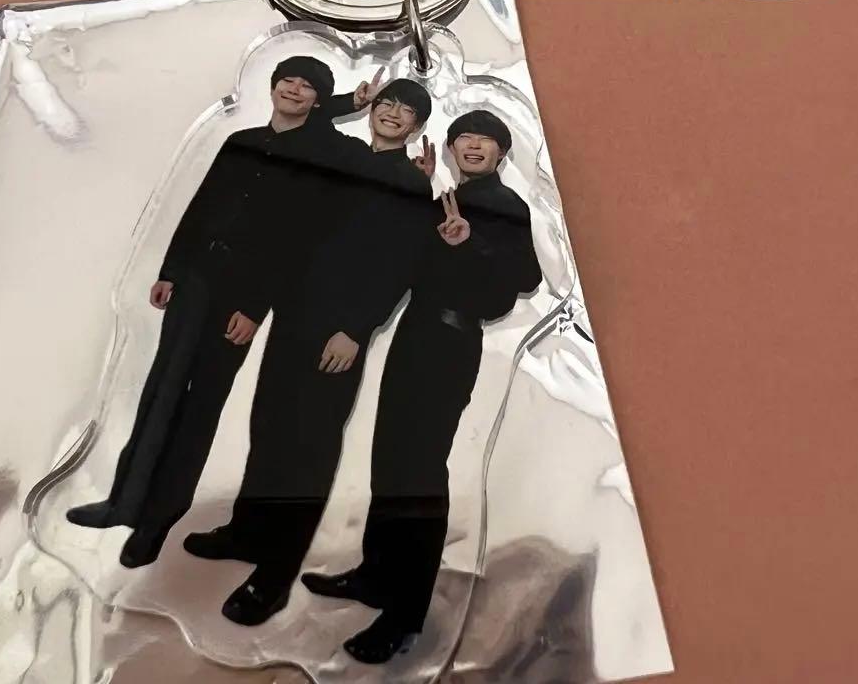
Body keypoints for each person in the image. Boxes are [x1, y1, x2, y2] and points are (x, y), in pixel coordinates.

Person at [65, 56, 348, 568]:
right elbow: (201, 205)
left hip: (242, 296)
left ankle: (157, 521)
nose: (293, 89)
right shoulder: (239, 141)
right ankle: (123, 501)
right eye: (287, 80)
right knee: (161, 390)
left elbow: (296, 241)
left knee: (201, 405)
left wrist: (255, 308)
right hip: (196, 280)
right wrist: (171, 269)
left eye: (307, 86)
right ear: (272, 86)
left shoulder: (317, 157)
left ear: (319, 101)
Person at [182, 79, 439, 627]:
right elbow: (294, 217)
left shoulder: (410, 184)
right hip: (293, 313)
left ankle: (274, 578)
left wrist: (356, 330)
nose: (393, 113)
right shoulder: (340, 155)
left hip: (338, 332)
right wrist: (351, 101)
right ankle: (246, 533)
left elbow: (398, 267)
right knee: (268, 426)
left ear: (417, 127)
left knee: (308, 447)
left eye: (406, 111)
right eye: (387, 103)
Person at [302, 109, 543, 663]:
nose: (473, 144)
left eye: (485, 138)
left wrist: (471, 243)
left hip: (451, 344)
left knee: (419, 473)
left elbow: (525, 278)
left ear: (502, 152)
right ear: (451, 149)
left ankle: (405, 614)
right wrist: (416, 190)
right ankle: (375, 576)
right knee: (390, 460)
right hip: (414, 338)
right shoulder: (446, 200)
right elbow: (401, 260)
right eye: (464, 137)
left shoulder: (504, 204)